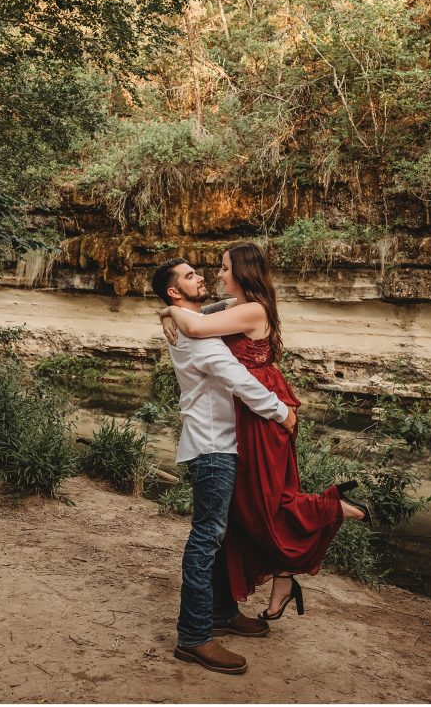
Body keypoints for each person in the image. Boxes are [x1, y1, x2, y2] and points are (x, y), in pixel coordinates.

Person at [158, 243, 369, 626]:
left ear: (242, 270)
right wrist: (168, 308)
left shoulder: (251, 309)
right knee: (247, 509)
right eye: (200, 273)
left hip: (264, 409)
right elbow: (199, 316)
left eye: (224, 268)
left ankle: (328, 511)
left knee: (266, 501)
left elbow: (197, 323)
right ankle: (267, 587)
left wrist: (171, 308)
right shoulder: (234, 307)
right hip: (248, 415)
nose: (217, 275)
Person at [150, 257, 298, 675]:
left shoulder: (190, 320)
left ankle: (221, 611)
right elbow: (238, 378)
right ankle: (193, 637)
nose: (203, 277)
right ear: (178, 290)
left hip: (217, 444)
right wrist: (280, 412)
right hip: (213, 448)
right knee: (206, 539)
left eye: (204, 271)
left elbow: (209, 314)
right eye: (191, 276)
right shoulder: (199, 339)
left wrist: (167, 309)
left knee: (221, 534)